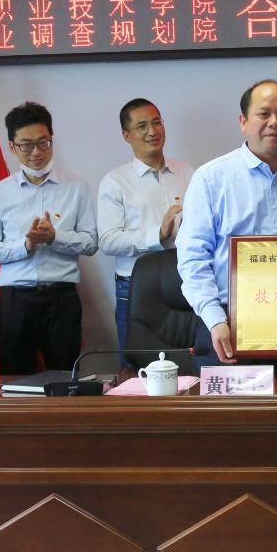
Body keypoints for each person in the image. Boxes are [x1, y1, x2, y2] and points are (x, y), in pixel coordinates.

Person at [176, 79, 277, 370]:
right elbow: (192, 258)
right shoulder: (211, 178)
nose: (274, 122)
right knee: (232, 402)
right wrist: (214, 319)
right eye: (264, 114)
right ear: (243, 122)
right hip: (229, 325)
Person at [0, 101, 98, 374]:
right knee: (14, 380)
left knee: (65, 379)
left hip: (62, 297)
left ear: (52, 139)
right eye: (27, 145)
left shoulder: (76, 187)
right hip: (15, 299)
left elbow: (91, 243)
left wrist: (55, 237)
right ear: (12, 147)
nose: (36, 152)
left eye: (44, 142)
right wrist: (26, 245)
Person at [98, 98, 194, 366]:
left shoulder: (187, 171)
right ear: (126, 135)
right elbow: (107, 240)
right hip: (135, 286)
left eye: (156, 122)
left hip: (184, 280)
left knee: (189, 363)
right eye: (142, 126)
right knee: (136, 366)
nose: (152, 131)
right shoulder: (115, 181)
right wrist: (157, 234)